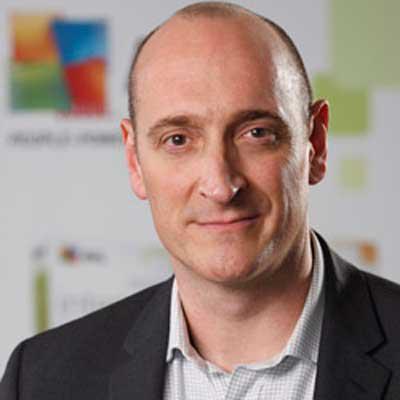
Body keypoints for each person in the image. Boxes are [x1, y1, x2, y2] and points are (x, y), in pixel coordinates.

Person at [1, 2, 400, 399]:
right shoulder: (40, 381)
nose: (221, 186)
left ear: (316, 145)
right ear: (134, 160)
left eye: (256, 133)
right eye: (178, 140)